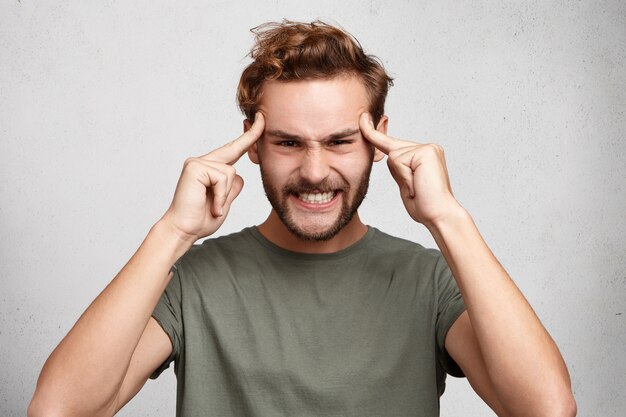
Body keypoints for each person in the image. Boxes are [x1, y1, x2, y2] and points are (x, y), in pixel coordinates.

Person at [29, 20, 576, 417]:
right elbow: (58, 409)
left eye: (340, 141)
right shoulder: (196, 279)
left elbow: (546, 409)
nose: (315, 171)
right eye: (288, 142)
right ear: (254, 145)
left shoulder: (427, 279)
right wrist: (172, 232)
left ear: (378, 140)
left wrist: (448, 219)